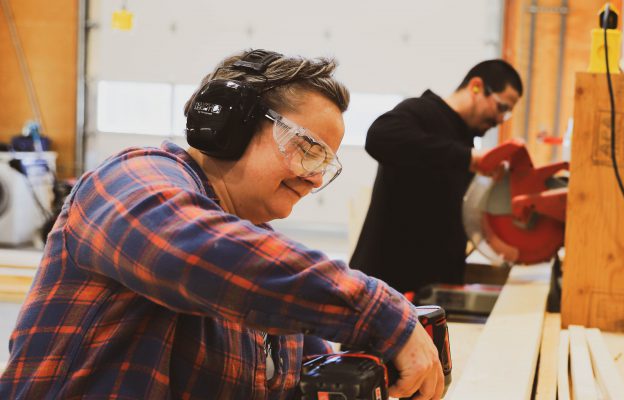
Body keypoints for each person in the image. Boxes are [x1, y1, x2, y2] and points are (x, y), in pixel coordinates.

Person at [0, 50, 443, 399]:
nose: (313, 177)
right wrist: (380, 313)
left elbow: (307, 372)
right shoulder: (131, 181)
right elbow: (192, 253)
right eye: (307, 148)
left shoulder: (267, 272)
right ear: (226, 124)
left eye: (325, 163)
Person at [351, 60, 523, 294]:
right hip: (387, 287)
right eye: (502, 107)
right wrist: (470, 159)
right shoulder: (421, 112)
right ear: (476, 87)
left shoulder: (462, 139)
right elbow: (379, 137)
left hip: (430, 291)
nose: (502, 119)